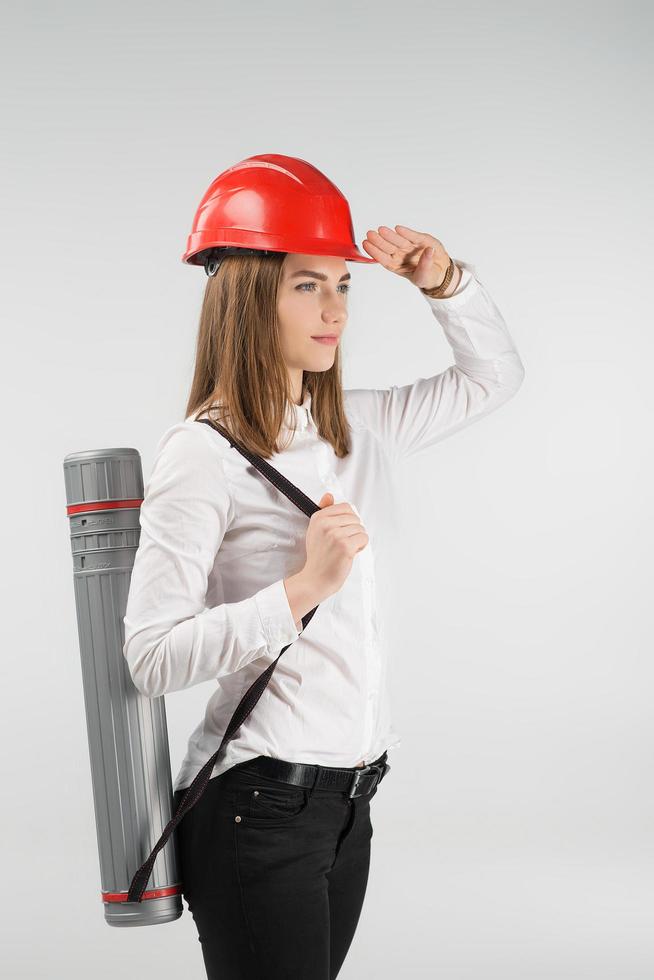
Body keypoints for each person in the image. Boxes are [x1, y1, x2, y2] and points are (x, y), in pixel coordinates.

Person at [122, 155, 525, 979]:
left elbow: (495, 377)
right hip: (258, 807)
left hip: (349, 805)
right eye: (308, 284)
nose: (335, 308)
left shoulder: (359, 429)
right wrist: (301, 589)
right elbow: (151, 657)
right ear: (245, 293)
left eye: (344, 285)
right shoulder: (202, 454)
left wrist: (445, 282)